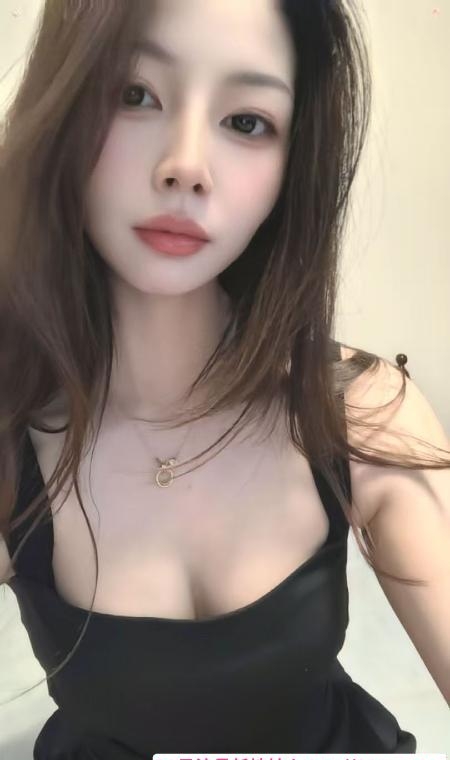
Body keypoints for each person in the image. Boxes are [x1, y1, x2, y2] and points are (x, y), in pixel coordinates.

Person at [0, 0, 449, 757]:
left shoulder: (359, 411)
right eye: (134, 94)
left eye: (246, 121)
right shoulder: (15, 441)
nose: (185, 165)